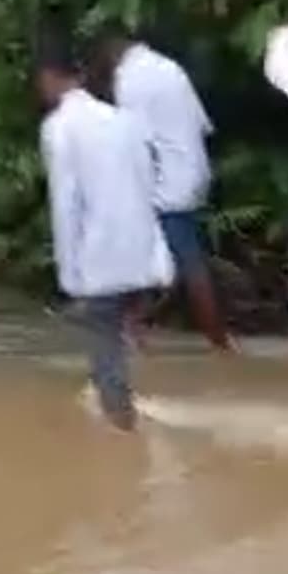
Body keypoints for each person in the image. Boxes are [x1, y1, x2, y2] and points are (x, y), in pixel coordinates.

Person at [37, 42, 173, 430]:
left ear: (48, 80)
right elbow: (150, 188)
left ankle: (123, 427)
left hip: (101, 257)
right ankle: (117, 402)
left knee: (104, 344)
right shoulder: (126, 121)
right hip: (143, 254)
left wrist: (69, 273)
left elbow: (66, 203)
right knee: (118, 335)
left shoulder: (59, 128)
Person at [92, 31, 233, 351]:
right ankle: (134, 328)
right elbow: (202, 125)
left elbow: (132, 141)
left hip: (169, 184)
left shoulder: (130, 81)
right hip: (192, 172)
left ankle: (220, 344)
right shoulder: (168, 68)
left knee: (187, 263)